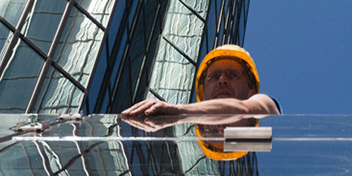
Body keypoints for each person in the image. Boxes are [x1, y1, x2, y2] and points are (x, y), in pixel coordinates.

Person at [119, 44, 280, 122]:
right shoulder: (191, 138)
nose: (222, 80)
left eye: (232, 75)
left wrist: (177, 112)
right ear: (202, 95)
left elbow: (246, 109)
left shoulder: (262, 103)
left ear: (251, 91)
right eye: (214, 76)